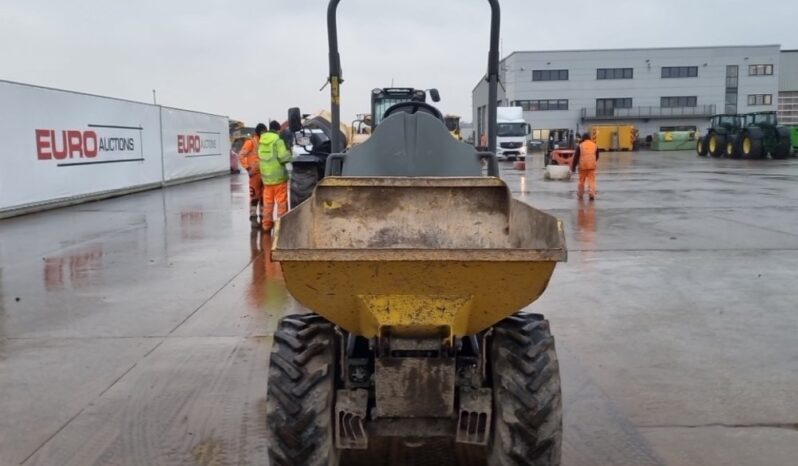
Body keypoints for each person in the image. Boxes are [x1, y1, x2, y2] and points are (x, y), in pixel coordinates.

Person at [259, 120, 292, 232]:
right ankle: (281, 226)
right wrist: (291, 155)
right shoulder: (278, 141)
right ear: (278, 130)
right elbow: (283, 158)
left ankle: (266, 225)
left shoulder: (262, 141)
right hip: (278, 177)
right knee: (281, 203)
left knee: (268, 203)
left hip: (266, 179)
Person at [239, 123, 267, 229]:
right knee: (255, 196)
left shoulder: (265, 142)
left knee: (264, 197)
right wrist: (247, 168)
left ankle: (263, 217)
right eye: (264, 132)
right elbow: (241, 155)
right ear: (259, 132)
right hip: (254, 175)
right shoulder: (250, 142)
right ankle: (253, 217)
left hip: (265, 174)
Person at [571, 133, 599, 201]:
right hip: (592, 166)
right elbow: (597, 156)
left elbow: (576, 157)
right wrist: (593, 161)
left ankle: (580, 194)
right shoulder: (594, 145)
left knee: (581, 181)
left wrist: (573, 167)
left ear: (583, 138)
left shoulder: (580, 146)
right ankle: (591, 194)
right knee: (591, 181)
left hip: (583, 166)